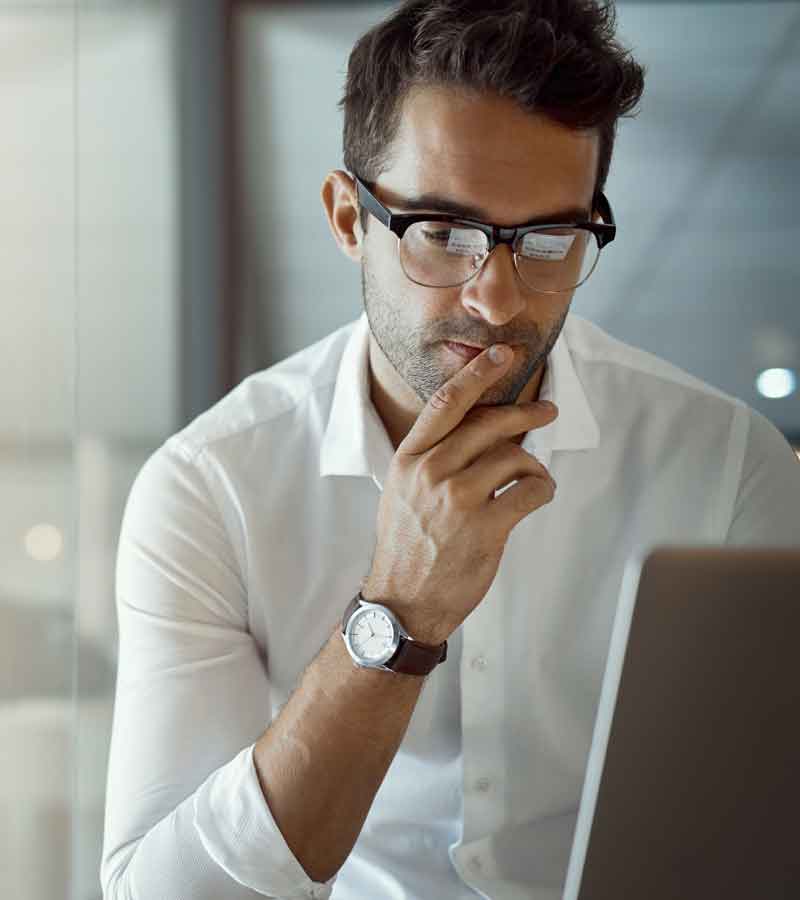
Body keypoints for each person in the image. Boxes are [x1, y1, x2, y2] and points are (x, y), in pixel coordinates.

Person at [100, 2, 800, 899]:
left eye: (551, 239)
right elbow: (160, 891)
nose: (499, 298)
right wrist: (397, 614)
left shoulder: (726, 463)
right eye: (443, 232)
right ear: (350, 218)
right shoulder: (210, 489)